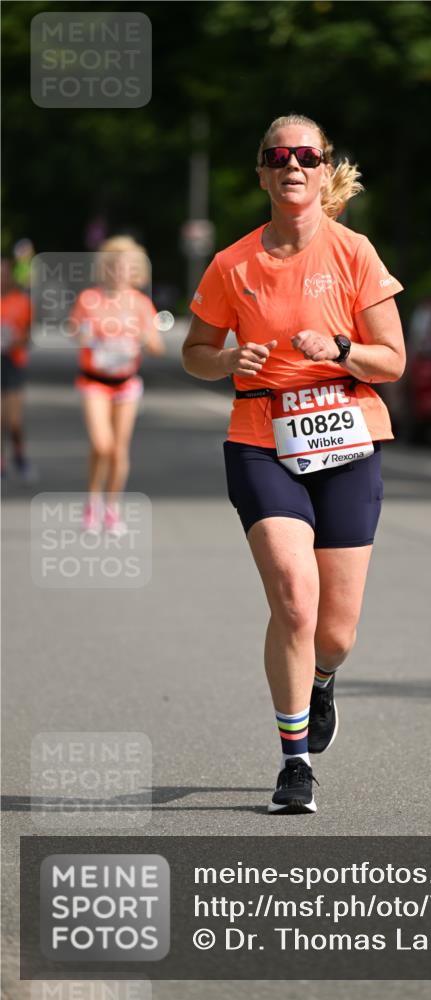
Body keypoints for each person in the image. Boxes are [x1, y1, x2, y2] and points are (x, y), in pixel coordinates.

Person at [183, 113, 405, 815]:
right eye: (277, 155)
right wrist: (224, 359)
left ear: (322, 167)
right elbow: (193, 351)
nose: (292, 165)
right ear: (261, 172)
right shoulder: (231, 264)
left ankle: (322, 680)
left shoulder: (353, 252)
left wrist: (339, 347)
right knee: (291, 595)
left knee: (334, 631)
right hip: (261, 434)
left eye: (305, 155)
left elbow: (393, 361)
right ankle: (294, 762)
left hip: (345, 431)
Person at [69, 236, 165, 533]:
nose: (119, 273)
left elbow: (157, 347)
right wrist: (83, 333)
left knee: (118, 450)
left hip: (126, 384)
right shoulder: (89, 299)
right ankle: (92, 501)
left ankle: (111, 509)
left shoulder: (140, 303)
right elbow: (74, 330)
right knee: (102, 443)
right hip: (94, 381)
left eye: (126, 267)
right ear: (105, 268)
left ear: (135, 271)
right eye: (113, 267)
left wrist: (142, 338)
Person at [1, 258, 37, 481]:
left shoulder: (22, 302)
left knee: (13, 420)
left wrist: (15, 341)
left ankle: (19, 455)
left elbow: (28, 338)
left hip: (13, 363)